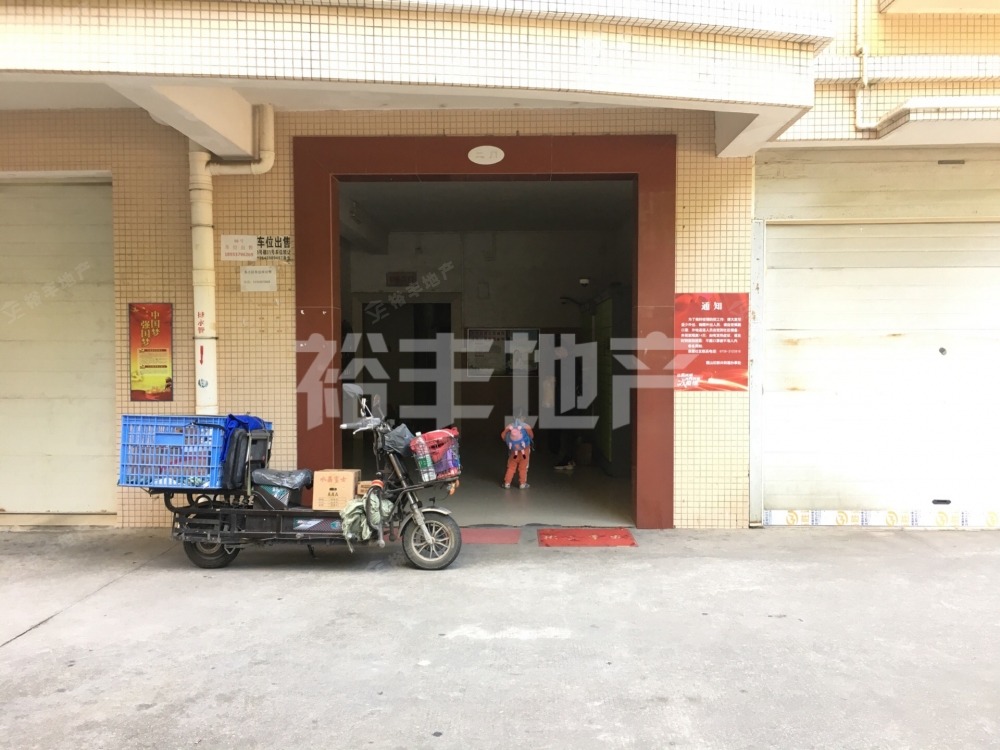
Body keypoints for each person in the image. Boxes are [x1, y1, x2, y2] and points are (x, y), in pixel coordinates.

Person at [500, 417, 534, 489]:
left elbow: (503, 436)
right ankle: (522, 484)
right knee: (523, 468)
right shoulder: (526, 426)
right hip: (525, 452)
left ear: (514, 417)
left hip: (513, 452)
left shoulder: (510, 426)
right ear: (524, 418)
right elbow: (531, 436)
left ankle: (507, 483)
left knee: (511, 467)